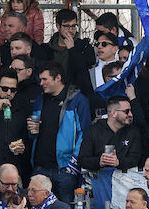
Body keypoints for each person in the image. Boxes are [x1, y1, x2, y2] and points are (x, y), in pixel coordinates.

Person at [27, 61, 91, 204]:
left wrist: (72, 165)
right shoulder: (39, 99)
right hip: (40, 167)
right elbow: (33, 134)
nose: (41, 83)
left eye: (45, 79)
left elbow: (85, 133)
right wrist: (31, 130)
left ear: (58, 78)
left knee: (65, 206)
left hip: (64, 169)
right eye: (40, 79)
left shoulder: (78, 100)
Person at [78, 96, 141, 171]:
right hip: (99, 179)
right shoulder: (94, 130)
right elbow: (82, 160)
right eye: (126, 111)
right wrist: (99, 161)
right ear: (113, 113)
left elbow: (136, 158)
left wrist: (118, 162)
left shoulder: (133, 131)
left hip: (126, 179)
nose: (131, 114)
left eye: (131, 111)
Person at [41, 8, 96, 91]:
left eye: (73, 26)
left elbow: (84, 71)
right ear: (58, 26)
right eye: (66, 26)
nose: (71, 30)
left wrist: (72, 49)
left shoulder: (84, 47)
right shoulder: (46, 49)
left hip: (76, 95)